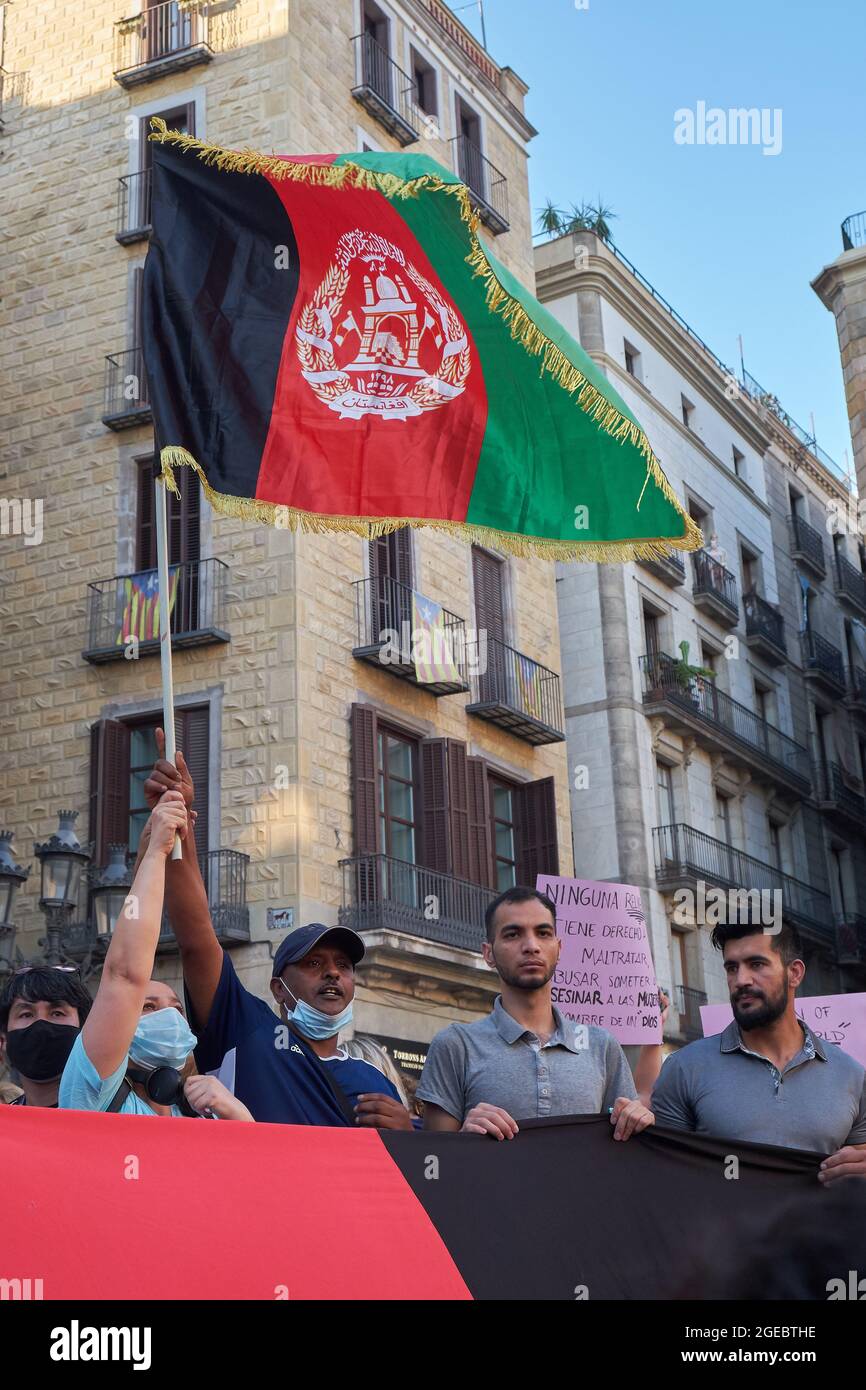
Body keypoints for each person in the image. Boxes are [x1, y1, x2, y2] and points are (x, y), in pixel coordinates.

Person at [138, 731, 413, 1129]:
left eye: (343, 965)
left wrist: (407, 1135)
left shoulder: (374, 1083)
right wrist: (178, 821)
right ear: (279, 989)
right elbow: (197, 939)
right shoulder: (248, 1031)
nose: (333, 972)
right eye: (314, 963)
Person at [59, 792, 252, 1121]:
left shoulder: (204, 1112)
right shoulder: (91, 1093)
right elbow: (124, 975)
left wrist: (240, 1117)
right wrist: (154, 856)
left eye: (177, 1009)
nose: (171, 1018)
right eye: (147, 1006)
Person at [418, 885, 656, 1140]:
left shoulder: (602, 1046)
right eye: (512, 935)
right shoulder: (455, 1045)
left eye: (543, 933)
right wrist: (466, 1137)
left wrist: (640, 1119)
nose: (531, 946)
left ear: (559, 947)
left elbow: (625, 1142)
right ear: (488, 954)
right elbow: (436, 1161)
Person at [651, 920, 866, 1180]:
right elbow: (666, 1179)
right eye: (732, 968)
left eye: (757, 964)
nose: (740, 980)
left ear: (794, 973)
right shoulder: (683, 1069)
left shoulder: (851, 1075)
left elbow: (857, 1168)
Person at [0, 965, 92, 1107]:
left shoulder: (104, 1109)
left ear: (84, 1029)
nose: (40, 1024)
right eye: (26, 1014)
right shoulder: (5, 1122)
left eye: (57, 1013)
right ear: (4, 1039)